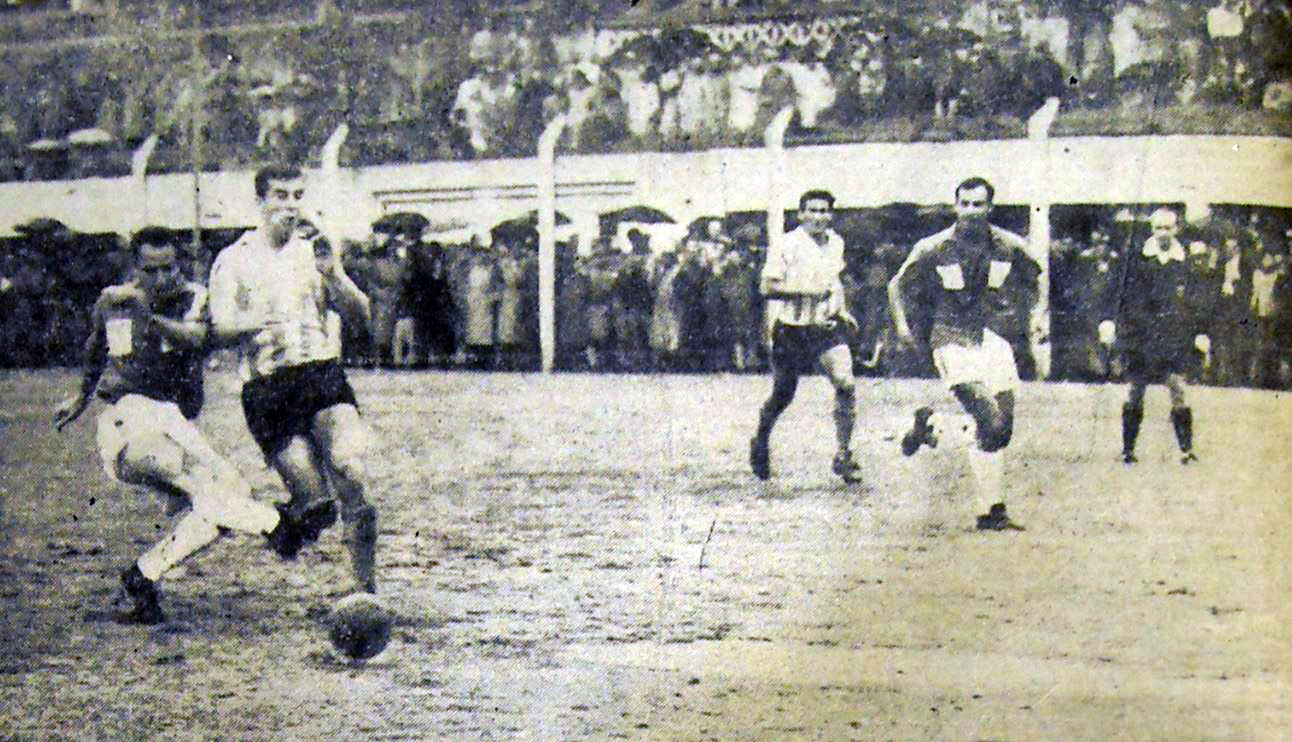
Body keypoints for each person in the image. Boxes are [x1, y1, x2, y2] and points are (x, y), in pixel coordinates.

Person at [53, 227, 322, 624]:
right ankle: (276, 524)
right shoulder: (114, 301)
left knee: (229, 497)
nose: (161, 278)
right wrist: (81, 395)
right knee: (201, 485)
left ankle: (143, 575)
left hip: (175, 420)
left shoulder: (194, 297)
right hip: (128, 416)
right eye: (151, 270)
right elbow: (97, 346)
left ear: (179, 265)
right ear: (134, 267)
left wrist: (150, 317)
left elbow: (195, 338)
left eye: (169, 268)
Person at [208, 165, 379, 595]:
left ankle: (364, 590)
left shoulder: (315, 252)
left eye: (297, 195)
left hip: (320, 375)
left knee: (350, 470)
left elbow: (362, 315)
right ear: (260, 201)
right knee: (315, 505)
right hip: (268, 389)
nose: (290, 205)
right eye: (280, 195)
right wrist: (258, 321)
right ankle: (288, 526)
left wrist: (334, 273)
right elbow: (220, 327)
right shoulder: (234, 258)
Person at [889, 177, 1040, 531]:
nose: (971, 211)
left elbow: (1038, 275)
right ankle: (990, 506)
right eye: (965, 204)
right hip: (951, 338)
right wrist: (902, 327)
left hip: (993, 339)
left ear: (990, 207)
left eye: (978, 204)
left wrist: (1037, 314)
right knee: (989, 420)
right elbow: (896, 285)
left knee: (1001, 432)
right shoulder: (934, 247)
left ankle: (988, 509)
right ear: (956, 206)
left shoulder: (1008, 245)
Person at [750, 189, 863, 484]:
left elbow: (834, 281)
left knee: (846, 383)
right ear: (801, 214)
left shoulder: (836, 242)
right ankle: (761, 438)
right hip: (792, 329)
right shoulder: (787, 244)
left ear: (831, 215)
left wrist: (843, 310)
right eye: (812, 210)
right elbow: (766, 287)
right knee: (783, 395)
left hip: (825, 327)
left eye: (824, 211)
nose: (818, 217)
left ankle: (844, 454)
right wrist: (805, 292)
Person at [1104, 207, 1209, 464]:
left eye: (1168, 228)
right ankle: (1128, 450)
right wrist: (1110, 323)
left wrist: (1200, 332)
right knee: (1135, 390)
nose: (1163, 233)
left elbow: (1196, 302)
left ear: (1176, 229)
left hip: (1173, 337)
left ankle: (1186, 450)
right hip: (1141, 335)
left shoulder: (1185, 263)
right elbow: (1117, 293)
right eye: (1158, 228)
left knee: (1178, 388)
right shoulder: (1136, 260)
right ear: (1152, 229)